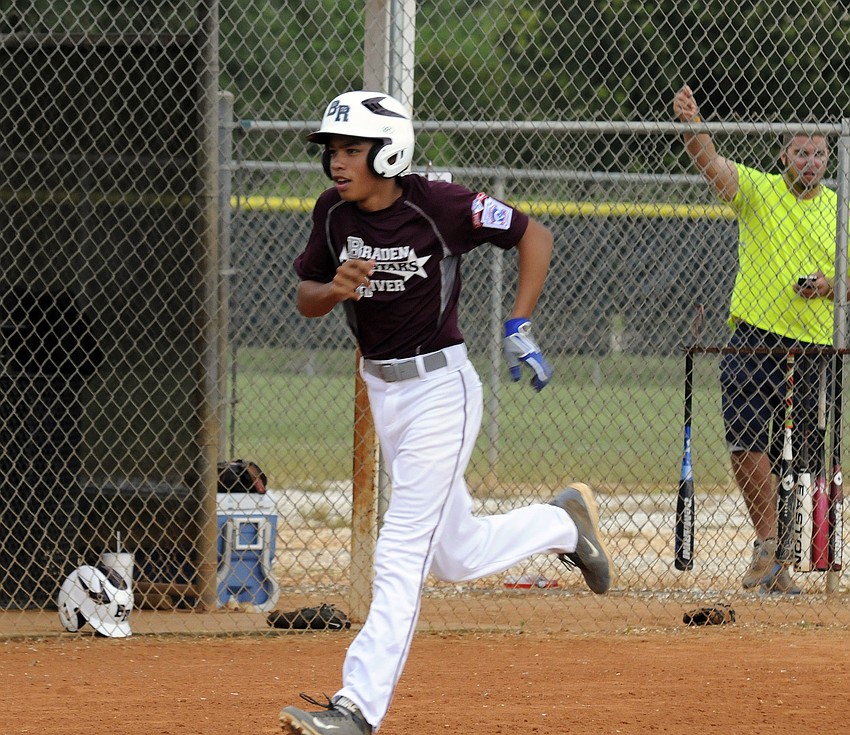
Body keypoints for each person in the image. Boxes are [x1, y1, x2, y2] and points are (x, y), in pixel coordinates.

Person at [279, 90, 613, 735]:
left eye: (352, 150)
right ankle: (563, 523)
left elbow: (532, 234)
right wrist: (333, 289)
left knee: (401, 550)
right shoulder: (332, 215)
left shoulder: (441, 205)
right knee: (454, 556)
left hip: (442, 391)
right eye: (333, 151)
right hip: (386, 393)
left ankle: (357, 708)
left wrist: (519, 320)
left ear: (391, 151)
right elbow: (305, 296)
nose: (337, 163)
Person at [673, 84, 840, 595]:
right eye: (801, 151)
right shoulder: (760, 190)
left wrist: (831, 286)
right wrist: (692, 125)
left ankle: (796, 550)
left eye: (819, 153)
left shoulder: (838, 209)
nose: (810, 161)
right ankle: (767, 548)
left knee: (803, 455)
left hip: (812, 345)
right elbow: (714, 166)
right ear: (783, 154)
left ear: (829, 157)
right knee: (746, 441)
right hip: (753, 338)